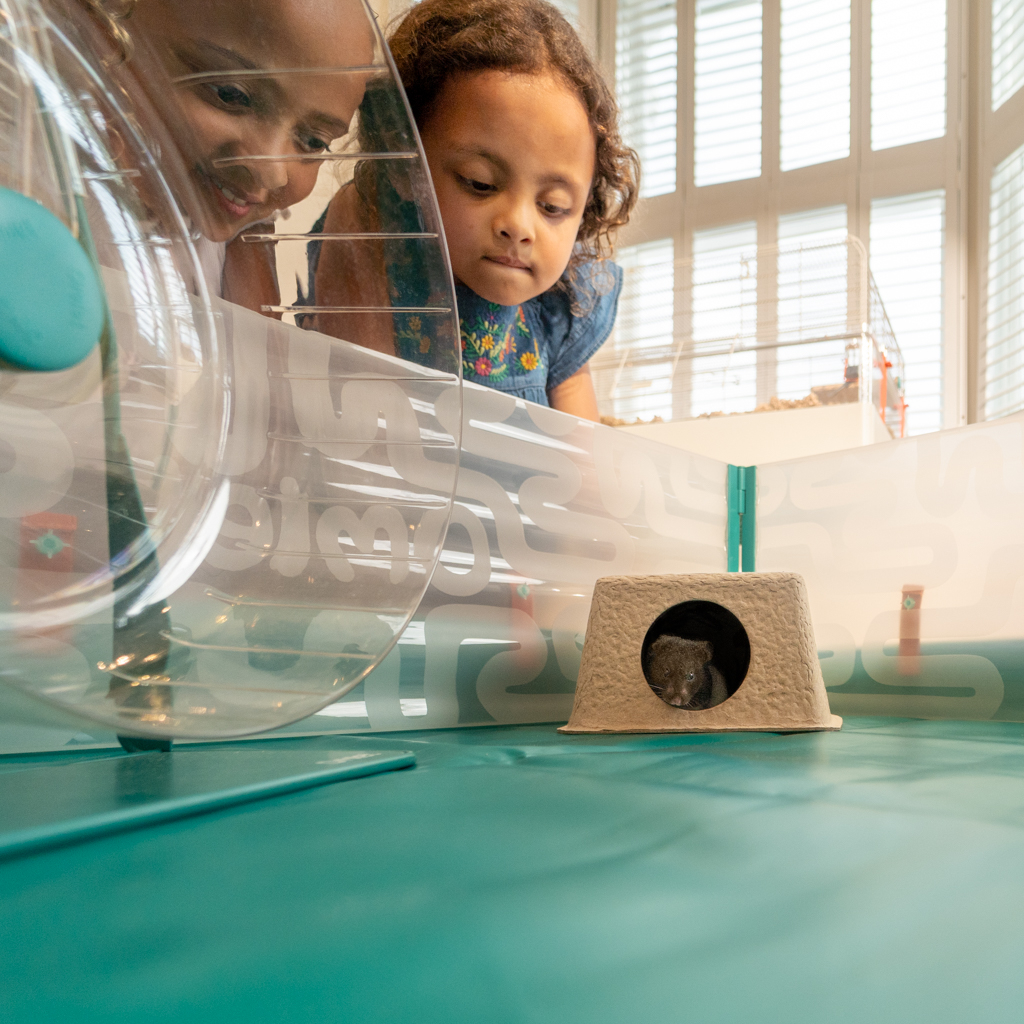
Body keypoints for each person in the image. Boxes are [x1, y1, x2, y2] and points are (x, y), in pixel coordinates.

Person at [312, 0, 639, 420]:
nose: (519, 226)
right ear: (402, 162)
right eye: (480, 183)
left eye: (553, 207)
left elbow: (580, 463)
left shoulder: (564, 300)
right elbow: (364, 413)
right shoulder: (372, 235)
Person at [83, 0, 374, 310]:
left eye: (313, 141)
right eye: (230, 94)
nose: (271, 172)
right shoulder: (42, 175)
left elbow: (256, 350)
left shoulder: (226, 224)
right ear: (105, 38)